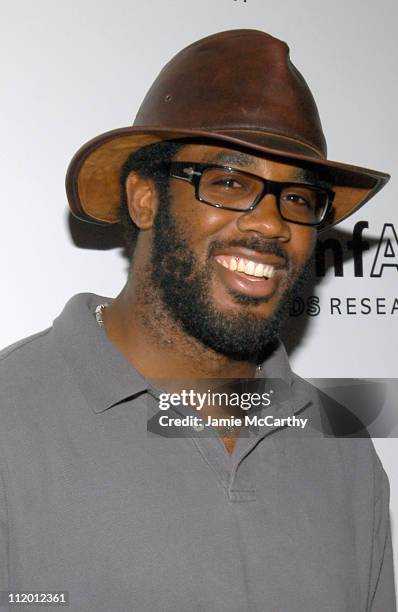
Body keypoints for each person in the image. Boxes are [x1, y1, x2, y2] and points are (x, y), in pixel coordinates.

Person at [0, 29, 395, 611]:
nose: (271, 225)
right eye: (229, 183)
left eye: (299, 199)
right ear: (144, 199)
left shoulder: (347, 456)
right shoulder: (11, 420)